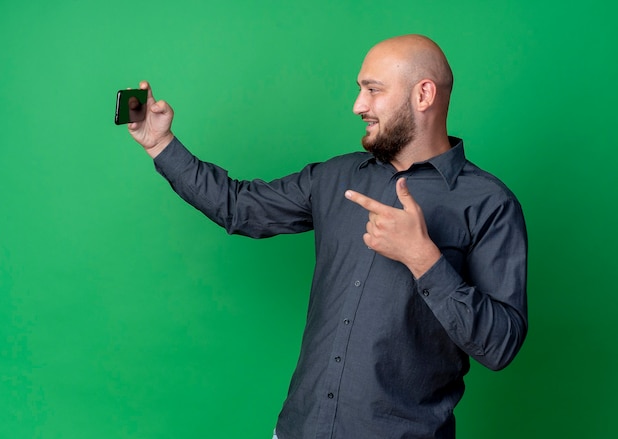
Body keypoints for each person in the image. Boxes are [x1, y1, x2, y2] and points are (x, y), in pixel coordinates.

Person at [127, 34, 528, 439]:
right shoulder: (334, 176)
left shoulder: (489, 203)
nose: (358, 105)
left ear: (423, 95)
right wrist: (161, 143)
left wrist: (424, 259)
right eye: (359, 90)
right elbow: (238, 206)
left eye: (373, 90)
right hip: (300, 429)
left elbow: (500, 345)